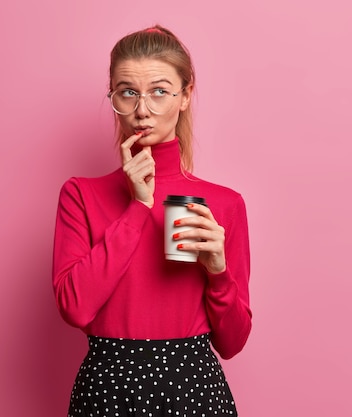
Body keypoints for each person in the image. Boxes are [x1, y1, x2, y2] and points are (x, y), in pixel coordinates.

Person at [52, 25, 252, 417]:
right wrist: (138, 207)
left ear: (185, 96)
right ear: (113, 96)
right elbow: (75, 308)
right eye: (128, 92)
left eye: (160, 91)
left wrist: (218, 272)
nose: (142, 109)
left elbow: (231, 343)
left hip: (194, 389)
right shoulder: (80, 195)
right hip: (108, 389)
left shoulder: (224, 205)